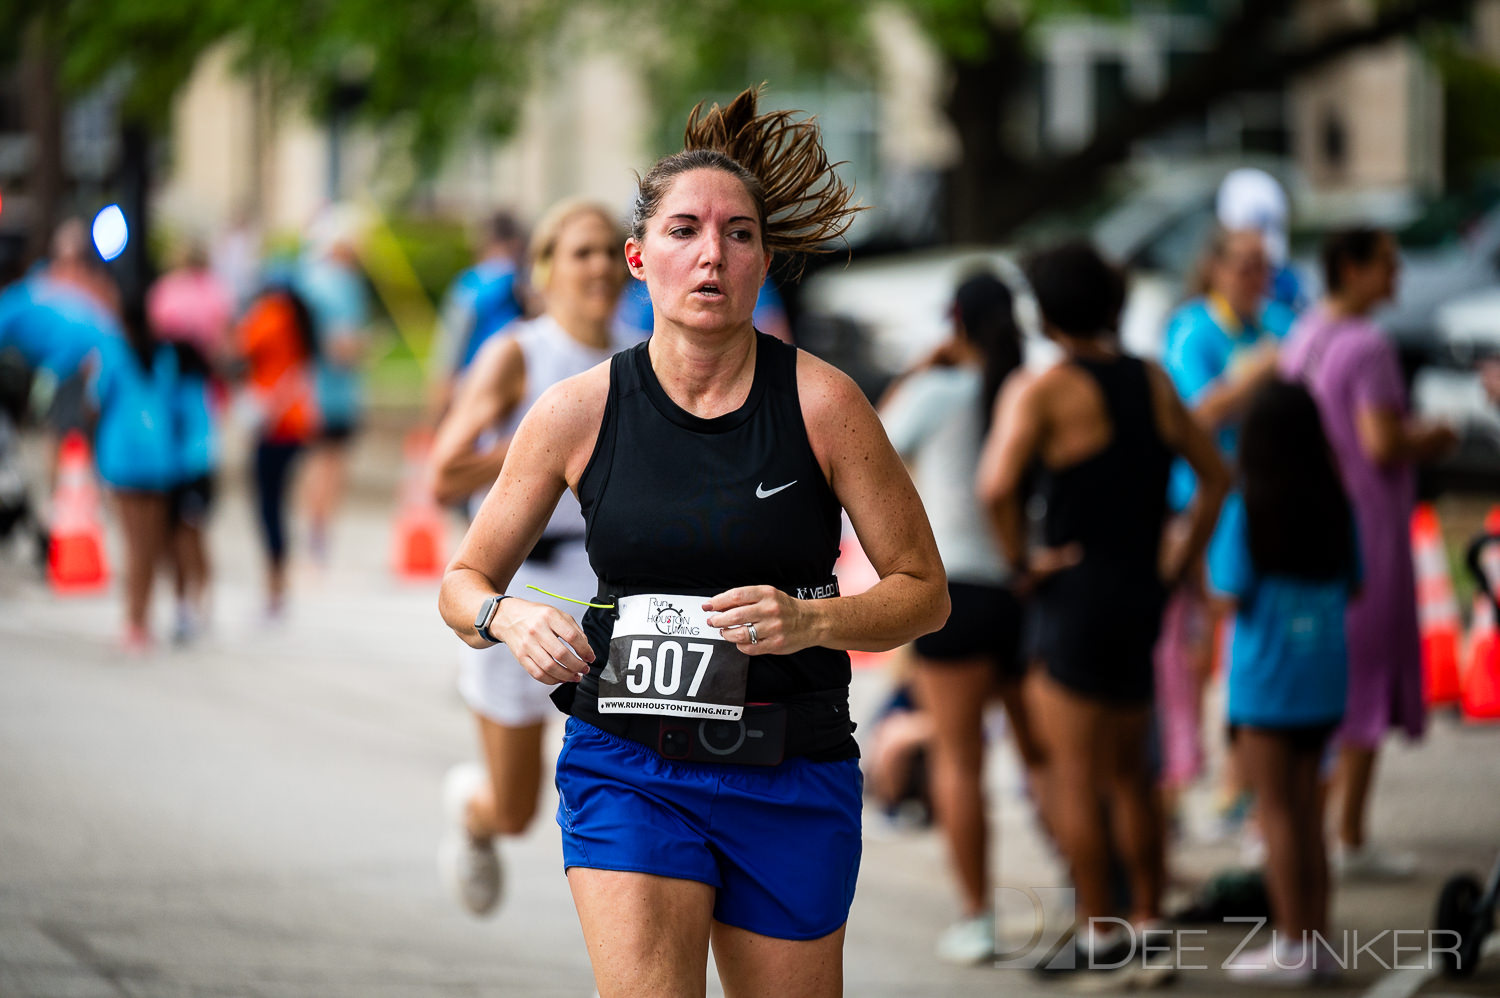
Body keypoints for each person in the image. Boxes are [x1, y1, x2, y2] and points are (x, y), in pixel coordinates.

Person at [438, 88, 949, 997]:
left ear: (764, 259)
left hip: (792, 765)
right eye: (684, 231)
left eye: (739, 233)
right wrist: (507, 616)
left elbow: (923, 590)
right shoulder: (577, 410)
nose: (712, 252)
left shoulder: (825, 405)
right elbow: (464, 579)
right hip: (630, 764)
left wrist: (809, 622)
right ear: (640, 259)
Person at [977, 241, 1228, 971]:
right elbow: (1215, 475)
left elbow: (995, 486)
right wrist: (1179, 561)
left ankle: (1100, 930)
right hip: (1140, 594)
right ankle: (1149, 919)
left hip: (1077, 595)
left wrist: (1022, 561)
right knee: (1133, 773)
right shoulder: (1151, 381)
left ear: (1046, 313)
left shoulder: (1044, 389)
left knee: (1075, 774)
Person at [428, 198, 638, 916]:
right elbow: (444, 472)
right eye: (582, 252)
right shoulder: (518, 353)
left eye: (613, 250)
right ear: (545, 269)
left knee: (638, 788)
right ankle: (474, 814)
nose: (602, 265)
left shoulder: (645, 353)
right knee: (517, 810)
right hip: (524, 588)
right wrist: (541, 453)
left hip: (615, 589)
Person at [1279, 228, 1457, 880]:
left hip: (1312, 524)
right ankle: (1347, 832)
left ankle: (1316, 824)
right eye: (1387, 263)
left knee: (1327, 677)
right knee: (1367, 682)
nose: (1398, 275)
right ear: (1350, 269)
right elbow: (1381, 442)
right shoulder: (1370, 346)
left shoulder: (1303, 337)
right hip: (1369, 528)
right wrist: (1434, 435)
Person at [878, 270, 1043, 963]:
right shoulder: (1029, 389)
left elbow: (870, 441)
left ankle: (977, 917)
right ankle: (1099, 905)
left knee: (960, 761)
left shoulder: (940, 391)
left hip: (956, 597)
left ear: (956, 323)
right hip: (1023, 591)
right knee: (1045, 755)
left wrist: (922, 365)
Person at [1210, 380, 1356, 986]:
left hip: (1267, 683)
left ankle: (1292, 945)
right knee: (1308, 813)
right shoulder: (1336, 504)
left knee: (1276, 815)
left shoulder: (1247, 506)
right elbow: (1357, 584)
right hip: (1324, 679)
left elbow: (1225, 593)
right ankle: (1317, 940)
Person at [1158, 228, 1293, 826]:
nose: (1254, 277)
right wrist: (1258, 377)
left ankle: (1242, 781)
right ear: (1213, 268)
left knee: (1250, 643)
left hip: (1269, 508)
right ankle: (1205, 781)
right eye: (1242, 265)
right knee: (1204, 648)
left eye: (1263, 266)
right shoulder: (1193, 329)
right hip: (1209, 512)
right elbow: (1196, 414)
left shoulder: (1282, 323)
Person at [88, 302, 178, 652]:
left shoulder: (111, 349)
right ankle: (144, 618)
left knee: (133, 544)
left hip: (123, 454)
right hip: (159, 454)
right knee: (150, 545)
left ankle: (133, 620)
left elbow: (96, 397)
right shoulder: (164, 354)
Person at [234, 284, 320, 619]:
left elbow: (242, 346)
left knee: (268, 506)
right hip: (296, 421)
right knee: (278, 505)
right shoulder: (298, 319)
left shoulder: (270, 316)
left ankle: (274, 587)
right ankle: (278, 586)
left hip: (272, 423)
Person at [295, 221, 370, 564]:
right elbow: (343, 345)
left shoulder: (306, 278)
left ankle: (314, 530)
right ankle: (320, 533)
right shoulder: (342, 284)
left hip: (307, 389)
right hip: (334, 391)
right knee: (330, 465)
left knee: (314, 464)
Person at [427, 211, 528, 419]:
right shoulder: (527, 282)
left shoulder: (473, 283)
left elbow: (452, 342)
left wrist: (440, 393)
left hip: (475, 382)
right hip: (520, 383)